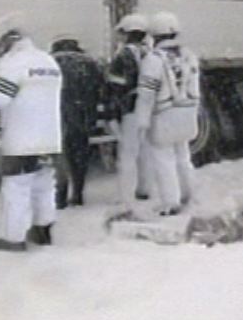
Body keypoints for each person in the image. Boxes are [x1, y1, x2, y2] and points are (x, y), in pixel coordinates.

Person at [0, 12, 63, 252]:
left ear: (5, 42)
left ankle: (13, 238)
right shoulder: (48, 60)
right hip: (50, 137)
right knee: (44, 184)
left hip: (22, 139)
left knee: (16, 187)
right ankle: (42, 230)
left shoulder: (13, 63)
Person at [135, 11, 201, 216]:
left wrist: (142, 121)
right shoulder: (190, 56)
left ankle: (170, 202)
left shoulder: (153, 59)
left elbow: (146, 95)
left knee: (163, 160)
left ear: (154, 35)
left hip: (164, 116)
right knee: (183, 156)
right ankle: (189, 195)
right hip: (187, 114)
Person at [50, 34, 106, 208]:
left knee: (60, 154)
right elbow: (100, 87)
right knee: (80, 155)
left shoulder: (51, 62)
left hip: (59, 113)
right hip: (83, 115)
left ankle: (60, 195)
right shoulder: (89, 63)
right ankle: (78, 193)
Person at [106, 13, 154, 208]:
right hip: (150, 109)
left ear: (127, 33)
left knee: (127, 154)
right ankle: (145, 189)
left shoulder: (123, 56)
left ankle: (125, 196)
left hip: (131, 109)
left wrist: (111, 114)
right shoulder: (151, 54)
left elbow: (115, 87)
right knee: (146, 151)